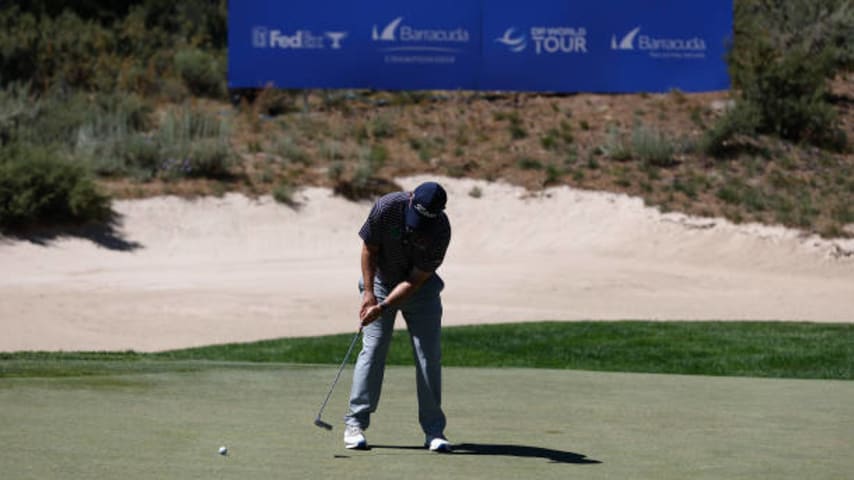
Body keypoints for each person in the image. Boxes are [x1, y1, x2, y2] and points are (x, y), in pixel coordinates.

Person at [343, 181, 452, 453]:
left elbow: (415, 281)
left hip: (421, 291)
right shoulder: (387, 207)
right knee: (374, 348)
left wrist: (384, 306)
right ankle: (355, 424)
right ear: (410, 197)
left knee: (428, 357)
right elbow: (369, 248)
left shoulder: (440, 230)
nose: (417, 226)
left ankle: (434, 431)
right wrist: (369, 293)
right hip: (380, 282)